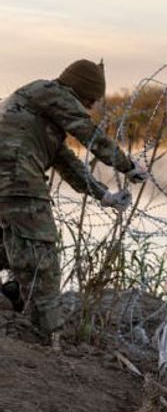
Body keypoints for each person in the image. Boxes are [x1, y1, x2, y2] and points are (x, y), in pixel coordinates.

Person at [0, 59, 147, 349]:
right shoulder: (51, 92)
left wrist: (104, 195)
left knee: (12, 246)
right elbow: (89, 134)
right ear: (78, 90)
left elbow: (65, 161)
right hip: (17, 180)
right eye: (90, 99)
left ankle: (11, 297)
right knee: (43, 262)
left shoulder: (36, 109)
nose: (90, 107)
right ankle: (47, 338)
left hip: (8, 180)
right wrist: (127, 165)